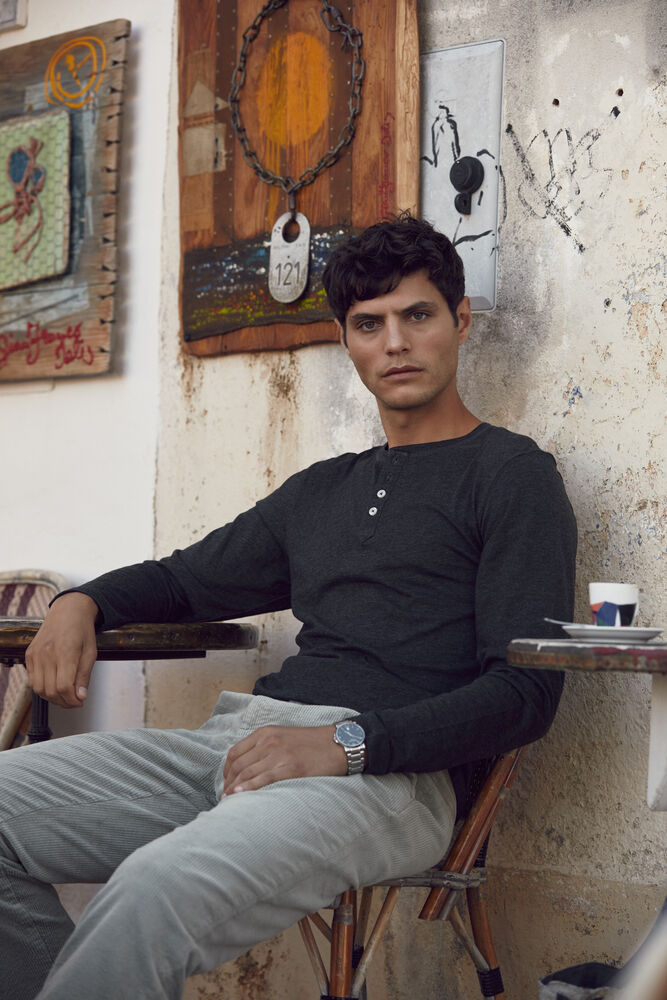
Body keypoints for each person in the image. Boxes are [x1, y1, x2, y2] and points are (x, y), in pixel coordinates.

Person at [0, 215, 577, 1000]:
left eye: (417, 315)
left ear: (460, 320)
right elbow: (182, 581)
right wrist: (82, 601)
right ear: (345, 340)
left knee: (153, 887)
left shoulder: (510, 475)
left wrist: (345, 744)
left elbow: (525, 694)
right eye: (369, 324)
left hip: (389, 778)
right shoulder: (322, 491)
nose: (395, 343)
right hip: (238, 745)